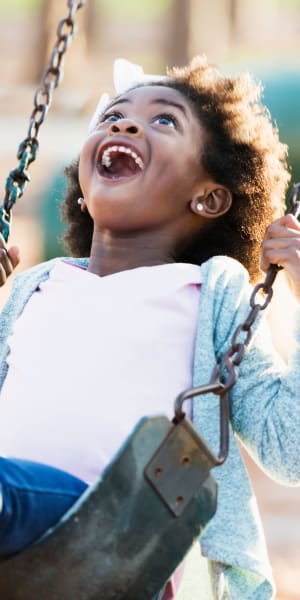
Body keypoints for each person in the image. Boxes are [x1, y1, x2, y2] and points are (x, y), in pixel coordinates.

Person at [0, 55, 299, 599]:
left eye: (164, 120)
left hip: (124, 533)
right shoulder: (34, 287)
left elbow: (289, 449)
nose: (123, 124)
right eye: (111, 116)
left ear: (208, 197)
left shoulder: (214, 294)